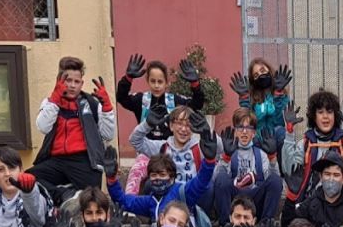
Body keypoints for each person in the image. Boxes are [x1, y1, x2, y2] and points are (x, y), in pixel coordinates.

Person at [28, 56, 116, 206]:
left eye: (77, 82)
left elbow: (108, 135)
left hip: (84, 161)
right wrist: (55, 98)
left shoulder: (91, 103)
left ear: (82, 83)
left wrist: (106, 107)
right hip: (56, 160)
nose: (72, 86)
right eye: (68, 81)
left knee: (93, 201)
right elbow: (43, 127)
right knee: (27, 180)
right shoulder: (51, 102)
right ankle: (64, 195)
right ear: (60, 80)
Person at [116, 55, 204, 193]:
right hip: (147, 151)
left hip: (169, 151)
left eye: (160, 81)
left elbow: (196, 105)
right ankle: (130, 209)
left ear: (167, 82)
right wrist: (127, 79)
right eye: (153, 81)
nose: (156, 85)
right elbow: (121, 98)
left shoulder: (174, 100)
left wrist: (195, 84)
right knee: (135, 174)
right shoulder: (142, 100)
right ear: (148, 81)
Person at [281, 89, 343, 200]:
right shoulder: (305, 143)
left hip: (339, 202)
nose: (325, 116)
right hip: (310, 200)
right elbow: (289, 171)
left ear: (336, 115)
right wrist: (289, 134)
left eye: (329, 112)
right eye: (320, 112)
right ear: (314, 116)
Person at [212, 110, 283, 222]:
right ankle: (226, 224)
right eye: (240, 127)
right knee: (221, 177)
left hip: (255, 199)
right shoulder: (229, 151)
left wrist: (272, 157)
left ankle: (266, 223)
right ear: (235, 131)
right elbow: (217, 180)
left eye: (249, 128)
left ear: (254, 133)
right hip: (234, 200)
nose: (244, 132)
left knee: (276, 180)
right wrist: (226, 157)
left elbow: (275, 181)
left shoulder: (261, 154)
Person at [129, 106, 219, 188]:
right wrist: (147, 125)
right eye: (179, 123)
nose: (183, 129)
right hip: (169, 196)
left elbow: (220, 149)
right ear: (171, 126)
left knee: (209, 187)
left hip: (193, 195)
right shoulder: (162, 147)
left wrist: (207, 132)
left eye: (188, 125)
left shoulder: (200, 147)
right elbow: (135, 141)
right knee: (149, 184)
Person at [232, 58, 292, 147]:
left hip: (276, 139)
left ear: (269, 70)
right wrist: (244, 98)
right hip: (258, 140)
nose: (260, 75)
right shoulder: (251, 97)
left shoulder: (281, 94)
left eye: (262, 70)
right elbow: (247, 120)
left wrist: (278, 95)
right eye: (256, 75)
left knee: (281, 132)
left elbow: (281, 121)